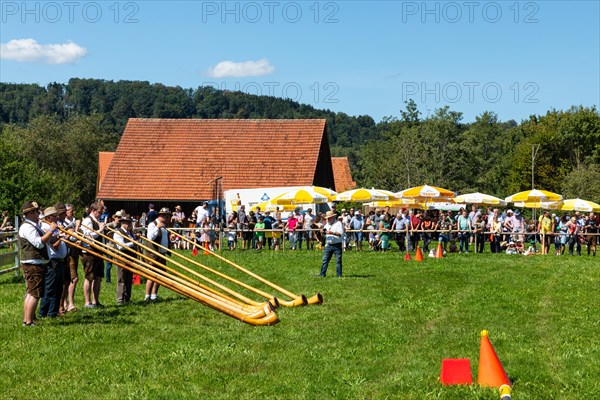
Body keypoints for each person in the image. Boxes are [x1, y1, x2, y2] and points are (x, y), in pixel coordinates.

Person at [18, 201, 57, 326]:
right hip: (33, 264)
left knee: (31, 292)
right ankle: (28, 322)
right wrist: (51, 231)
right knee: (35, 294)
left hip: (35, 262)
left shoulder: (33, 225)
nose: (38, 214)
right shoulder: (27, 227)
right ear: (29, 213)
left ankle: (27, 320)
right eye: (36, 212)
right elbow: (38, 243)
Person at [38, 206, 68, 318]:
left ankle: (53, 312)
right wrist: (61, 236)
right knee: (50, 287)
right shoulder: (45, 227)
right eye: (55, 216)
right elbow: (53, 244)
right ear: (49, 217)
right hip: (52, 261)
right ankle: (43, 312)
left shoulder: (54, 226)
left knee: (58, 287)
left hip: (60, 260)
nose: (57, 217)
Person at [81, 202, 106, 308]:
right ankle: (87, 302)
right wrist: (100, 230)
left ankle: (95, 301)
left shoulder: (97, 220)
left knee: (98, 277)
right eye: (99, 212)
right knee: (89, 277)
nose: (101, 214)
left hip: (98, 251)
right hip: (89, 252)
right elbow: (88, 236)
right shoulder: (87, 220)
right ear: (93, 211)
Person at [145, 207, 172, 301]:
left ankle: (154, 295)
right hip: (153, 254)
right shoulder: (152, 225)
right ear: (160, 216)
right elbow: (150, 237)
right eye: (165, 216)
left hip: (161, 254)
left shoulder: (164, 226)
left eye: (168, 216)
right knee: (152, 275)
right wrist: (157, 227)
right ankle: (147, 296)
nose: (167, 218)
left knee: (160, 275)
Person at [113, 214, 137, 304]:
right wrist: (133, 243)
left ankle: (127, 298)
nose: (129, 224)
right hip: (121, 258)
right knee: (121, 279)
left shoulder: (130, 232)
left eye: (129, 222)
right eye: (127, 222)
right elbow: (121, 246)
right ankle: (120, 299)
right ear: (122, 223)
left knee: (128, 278)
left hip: (130, 258)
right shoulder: (118, 232)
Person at [318, 211, 344, 277]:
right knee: (325, 260)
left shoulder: (338, 223)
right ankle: (322, 274)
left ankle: (339, 275)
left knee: (338, 261)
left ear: (333, 217)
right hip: (329, 244)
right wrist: (322, 232)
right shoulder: (327, 225)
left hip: (337, 244)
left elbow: (340, 233)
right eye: (328, 218)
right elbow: (325, 233)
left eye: (329, 218)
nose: (328, 219)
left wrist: (332, 233)